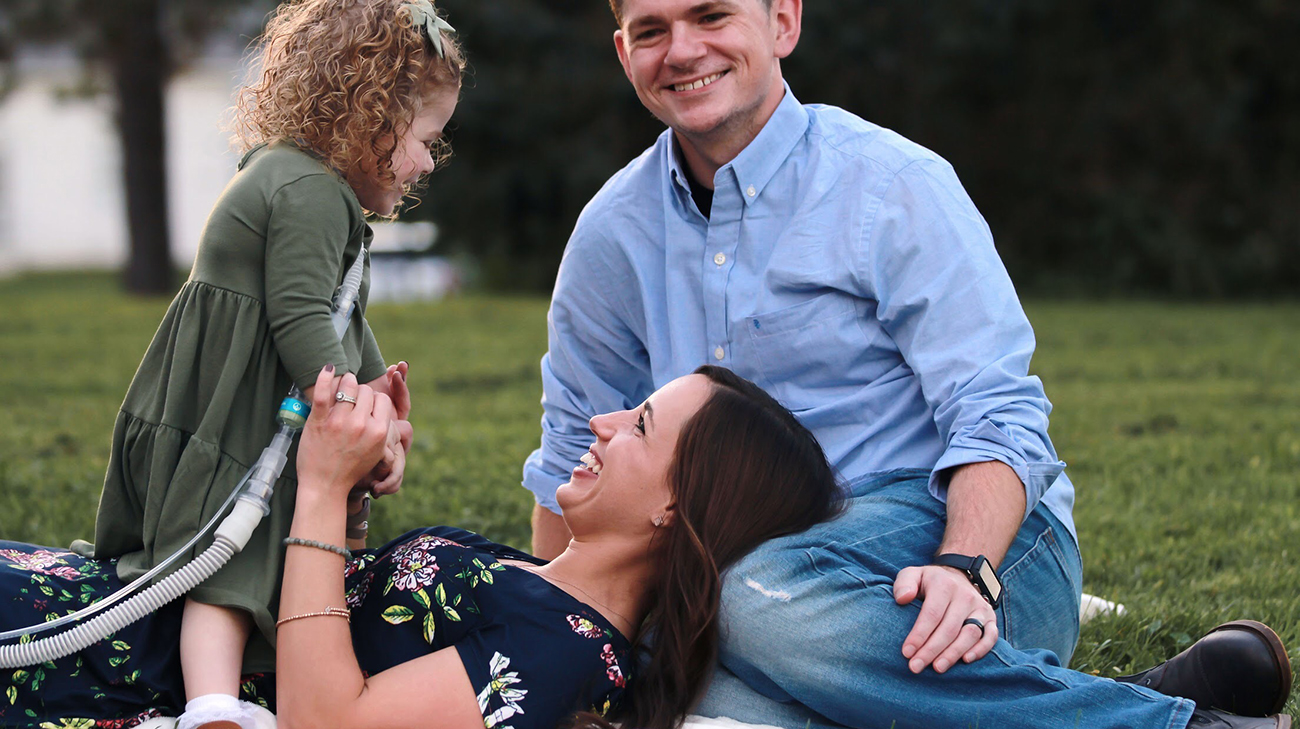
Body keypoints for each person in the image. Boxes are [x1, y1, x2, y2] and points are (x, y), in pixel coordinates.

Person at [522, 0, 1294, 727]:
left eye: (712, 14)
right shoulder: (611, 237)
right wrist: (548, 642)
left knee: (743, 610)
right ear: (625, 54)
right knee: (702, 702)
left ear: (784, 19)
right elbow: (566, 457)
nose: (683, 49)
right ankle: (1089, 697)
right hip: (751, 591)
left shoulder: (892, 185)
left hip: (953, 542)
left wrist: (966, 568)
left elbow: (998, 412)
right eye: (651, 30)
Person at [0, 365, 845, 729]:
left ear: (675, 503)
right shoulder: (532, 579)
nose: (603, 422)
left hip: (113, 674)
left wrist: (326, 489)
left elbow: (326, 718)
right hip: (116, 608)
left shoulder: (565, 656)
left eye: (641, 425)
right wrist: (359, 492)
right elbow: (352, 616)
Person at [74, 2, 462, 727]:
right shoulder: (309, 192)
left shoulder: (312, 185)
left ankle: (257, 680)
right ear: (369, 117)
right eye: (424, 138)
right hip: (229, 414)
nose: (426, 162)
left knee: (257, 549)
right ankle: (212, 707)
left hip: (242, 402)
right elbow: (299, 318)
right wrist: (349, 407)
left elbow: (339, 310)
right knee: (228, 561)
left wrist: (375, 390)